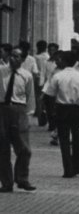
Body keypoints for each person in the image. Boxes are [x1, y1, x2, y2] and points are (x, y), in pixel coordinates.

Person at [43, 50, 79, 178]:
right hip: (76, 109)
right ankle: (76, 167)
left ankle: (67, 169)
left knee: (63, 140)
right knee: (76, 139)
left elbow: (50, 95)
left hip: (61, 109)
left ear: (65, 61)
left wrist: (51, 112)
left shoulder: (58, 76)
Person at [0, 45, 36, 192]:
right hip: (2, 110)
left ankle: (22, 179)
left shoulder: (26, 76)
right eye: (11, 56)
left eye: (17, 56)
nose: (13, 59)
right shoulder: (1, 71)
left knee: (24, 148)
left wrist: (29, 116)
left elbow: (30, 96)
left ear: (23, 59)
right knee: (2, 148)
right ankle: (6, 183)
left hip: (19, 110)